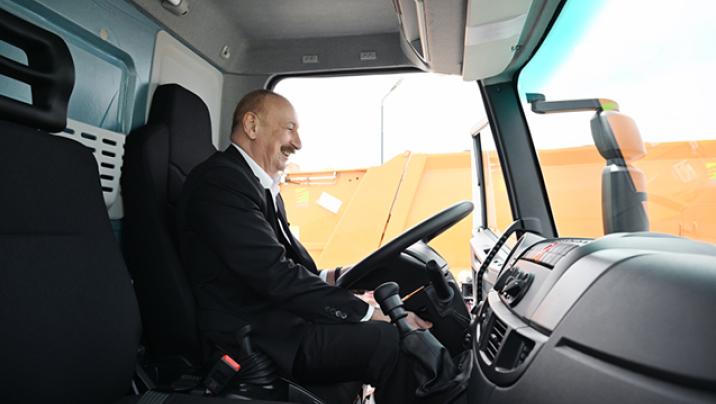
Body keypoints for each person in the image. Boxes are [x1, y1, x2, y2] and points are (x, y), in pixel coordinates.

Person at [177, 89, 431, 403]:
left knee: (398, 334)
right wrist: (370, 313)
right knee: (397, 342)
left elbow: (288, 264)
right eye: (290, 129)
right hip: (259, 335)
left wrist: (336, 276)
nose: (298, 143)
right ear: (252, 126)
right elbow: (274, 275)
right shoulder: (221, 182)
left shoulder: (258, 185)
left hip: (280, 321)